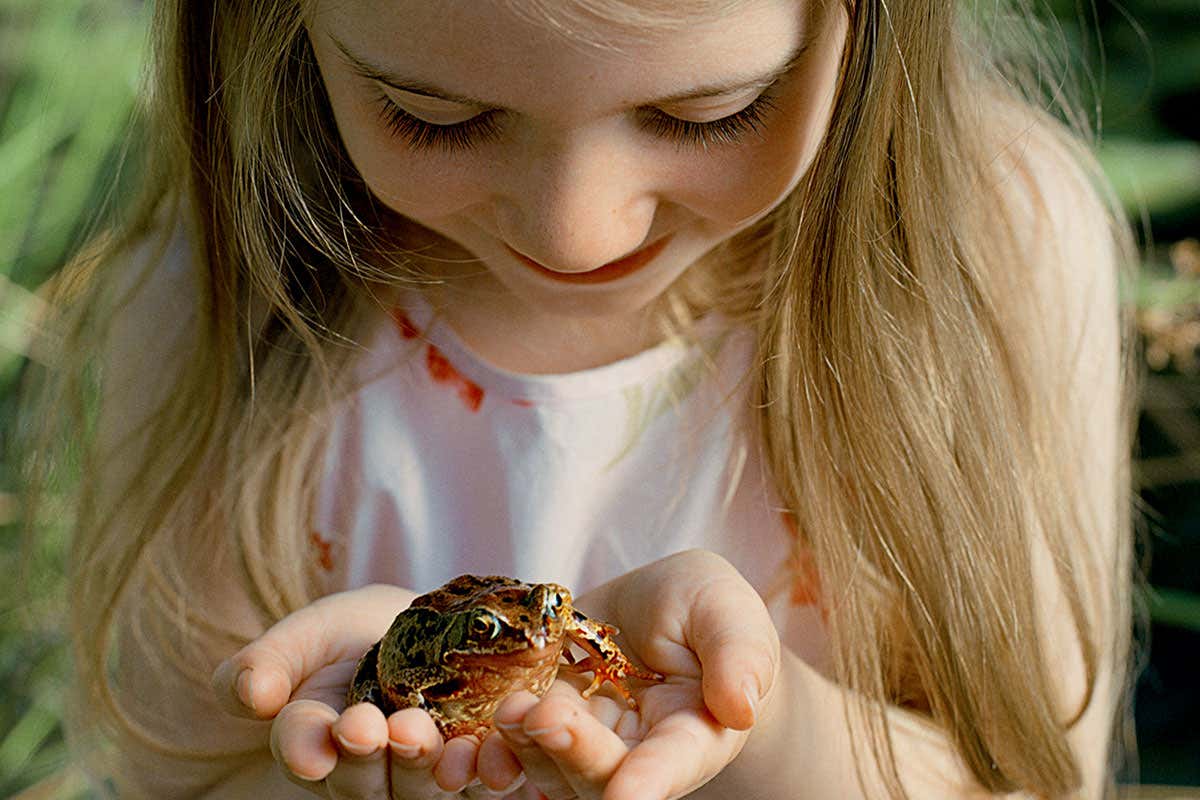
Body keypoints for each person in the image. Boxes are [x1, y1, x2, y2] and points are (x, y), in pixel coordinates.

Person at [27, 0, 1137, 797]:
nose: (578, 233)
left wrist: (755, 720)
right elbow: (176, 770)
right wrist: (329, 764)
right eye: (433, 115)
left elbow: (1028, 780)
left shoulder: (996, 247)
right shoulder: (212, 299)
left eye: (710, 113)